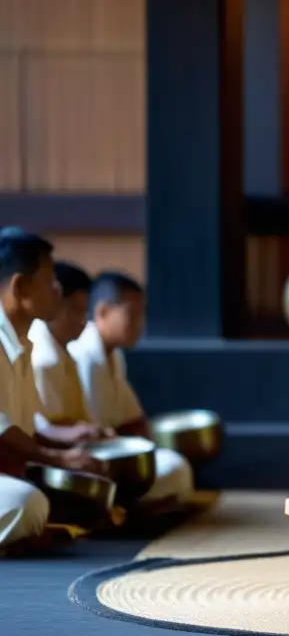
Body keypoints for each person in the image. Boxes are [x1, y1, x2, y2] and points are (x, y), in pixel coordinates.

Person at [0, 230, 103, 549]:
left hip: (12, 474)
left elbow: (24, 429)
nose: (56, 290)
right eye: (48, 280)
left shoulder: (22, 344)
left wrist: (67, 450)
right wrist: (59, 459)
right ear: (19, 287)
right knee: (26, 503)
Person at [68, 270, 194, 506]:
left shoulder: (114, 355)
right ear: (102, 311)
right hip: (88, 456)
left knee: (174, 465)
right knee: (172, 468)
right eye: (132, 314)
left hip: (112, 450)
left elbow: (133, 418)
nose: (139, 324)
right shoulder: (83, 354)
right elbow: (91, 430)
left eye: (141, 315)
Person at [30, 261, 113, 442]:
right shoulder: (44, 359)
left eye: (84, 313)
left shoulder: (64, 351)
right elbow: (49, 428)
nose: (83, 322)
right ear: (53, 302)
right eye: (76, 311)